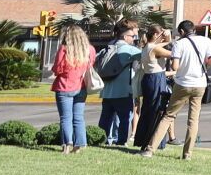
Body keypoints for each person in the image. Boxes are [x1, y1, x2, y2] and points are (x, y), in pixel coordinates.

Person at [157, 19, 211, 159]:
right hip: (200, 84)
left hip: (183, 83)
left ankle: (150, 149)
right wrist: (203, 67)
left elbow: (175, 67)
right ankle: (187, 154)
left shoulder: (179, 43)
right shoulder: (206, 41)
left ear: (182, 32)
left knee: (169, 115)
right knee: (193, 120)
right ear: (194, 29)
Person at [50, 22, 96, 154]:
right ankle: (80, 143)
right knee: (78, 117)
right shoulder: (90, 50)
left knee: (65, 117)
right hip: (81, 87)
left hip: (64, 86)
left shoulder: (64, 49)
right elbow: (90, 65)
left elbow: (57, 69)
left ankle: (66, 144)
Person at [94, 21, 142, 147]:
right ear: (126, 37)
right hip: (123, 91)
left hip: (107, 91)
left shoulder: (109, 47)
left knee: (105, 118)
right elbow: (147, 56)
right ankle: (121, 142)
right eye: (133, 36)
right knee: (124, 118)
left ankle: (101, 140)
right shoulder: (129, 49)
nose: (134, 39)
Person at [133, 26, 173, 154]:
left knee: (148, 110)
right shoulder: (155, 48)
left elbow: (167, 43)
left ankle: (144, 140)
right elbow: (173, 53)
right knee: (157, 110)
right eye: (160, 33)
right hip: (156, 79)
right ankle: (153, 142)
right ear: (156, 34)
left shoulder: (147, 47)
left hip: (149, 79)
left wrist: (168, 36)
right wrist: (169, 36)